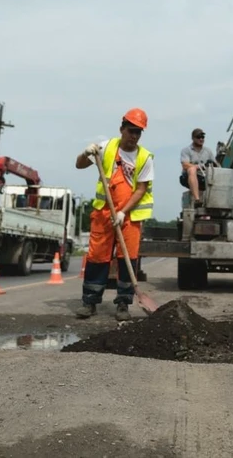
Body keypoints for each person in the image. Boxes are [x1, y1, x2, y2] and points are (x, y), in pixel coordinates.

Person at [75, 108, 155, 321]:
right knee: (97, 258)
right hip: (103, 214)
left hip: (129, 217)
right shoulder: (106, 147)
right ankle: (90, 302)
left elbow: (141, 189)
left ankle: (123, 304)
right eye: (131, 131)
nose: (134, 136)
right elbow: (79, 165)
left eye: (138, 132)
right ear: (122, 129)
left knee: (127, 260)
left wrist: (122, 212)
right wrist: (85, 153)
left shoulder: (145, 157)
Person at [179, 127, 216, 205]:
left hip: (205, 177)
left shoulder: (208, 151)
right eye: (198, 137)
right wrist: (199, 167)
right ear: (193, 138)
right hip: (188, 177)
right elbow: (185, 165)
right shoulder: (186, 150)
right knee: (191, 169)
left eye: (202, 137)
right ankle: (197, 199)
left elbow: (216, 165)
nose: (201, 139)